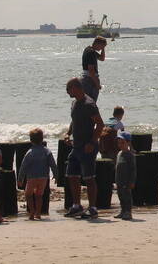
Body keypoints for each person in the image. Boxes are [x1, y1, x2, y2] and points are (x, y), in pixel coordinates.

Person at [64, 77, 105, 219]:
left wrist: (92, 142)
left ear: (75, 88)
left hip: (87, 147)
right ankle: (76, 205)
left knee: (89, 178)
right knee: (71, 175)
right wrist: (68, 134)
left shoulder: (89, 104)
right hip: (76, 146)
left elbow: (100, 124)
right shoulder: (74, 103)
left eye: (68, 89)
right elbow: (73, 120)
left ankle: (93, 208)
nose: (67, 92)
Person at [18, 128, 58, 220]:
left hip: (32, 177)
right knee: (39, 195)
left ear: (31, 140)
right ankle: (38, 213)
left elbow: (23, 167)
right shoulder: (47, 151)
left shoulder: (29, 152)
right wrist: (56, 175)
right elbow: (53, 164)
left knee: (28, 194)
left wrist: (20, 179)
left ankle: (32, 212)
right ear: (42, 139)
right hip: (43, 177)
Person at [114, 131, 136, 220]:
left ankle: (128, 212)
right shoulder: (119, 153)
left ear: (128, 143)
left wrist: (132, 182)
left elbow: (133, 170)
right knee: (120, 196)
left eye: (122, 143)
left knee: (127, 196)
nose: (120, 145)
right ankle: (123, 211)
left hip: (127, 180)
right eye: (119, 143)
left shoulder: (130, 155)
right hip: (119, 180)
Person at [81, 36, 107, 100]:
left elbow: (102, 58)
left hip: (86, 78)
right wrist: (97, 84)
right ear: (97, 44)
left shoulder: (88, 49)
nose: (101, 49)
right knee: (91, 102)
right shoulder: (91, 52)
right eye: (102, 46)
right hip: (90, 80)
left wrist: (103, 48)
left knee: (87, 101)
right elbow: (91, 70)